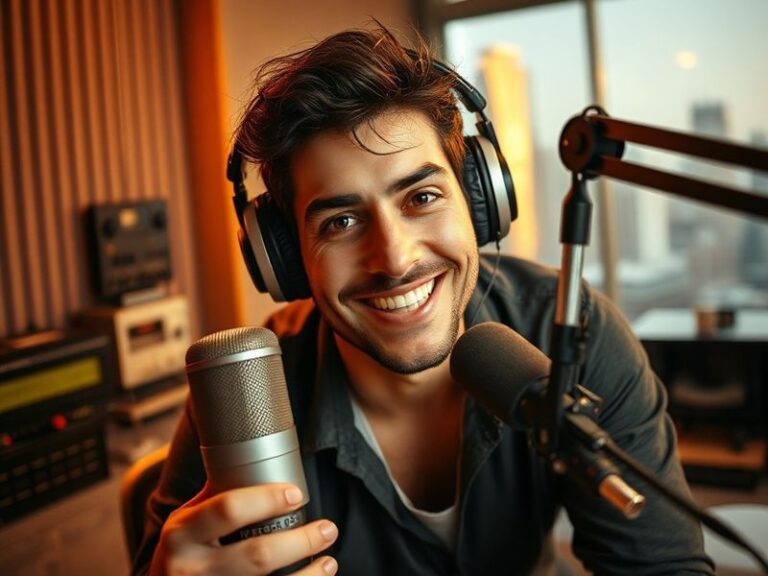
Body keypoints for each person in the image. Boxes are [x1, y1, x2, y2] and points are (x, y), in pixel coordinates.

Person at [135, 24, 715, 575]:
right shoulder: (245, 392)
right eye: (340, 221)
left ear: (478, 202)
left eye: (422, 196)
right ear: (284, 260)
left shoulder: (569, 327)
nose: (395, 258)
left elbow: (661, 564)